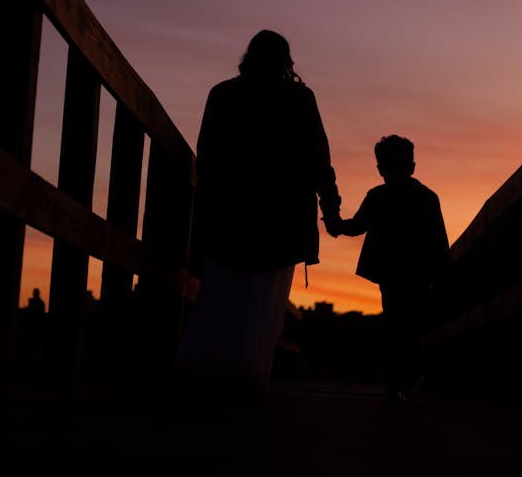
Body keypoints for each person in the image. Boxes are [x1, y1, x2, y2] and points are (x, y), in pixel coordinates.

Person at [175, 29, 342, 392]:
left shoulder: (223, 94)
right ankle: (249, 374)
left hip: (230, 213)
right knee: (264, 302)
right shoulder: (300, 98)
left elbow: (207, 155)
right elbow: (318, 158)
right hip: (282, 216)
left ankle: (204, 368)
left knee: (221, 293)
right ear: (286, 61)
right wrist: (330, 209)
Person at [335, 134, 450, 403]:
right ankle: (408, 379)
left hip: (389, 271)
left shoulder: (377, 196)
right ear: (412, 167)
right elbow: (440, 239)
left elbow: (356, 226)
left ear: (380, 168)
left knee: (394, 322)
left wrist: (335, 225)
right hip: (419, 272)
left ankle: (394, 381)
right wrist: (443, 274)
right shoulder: (428, 197)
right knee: (412, 324)